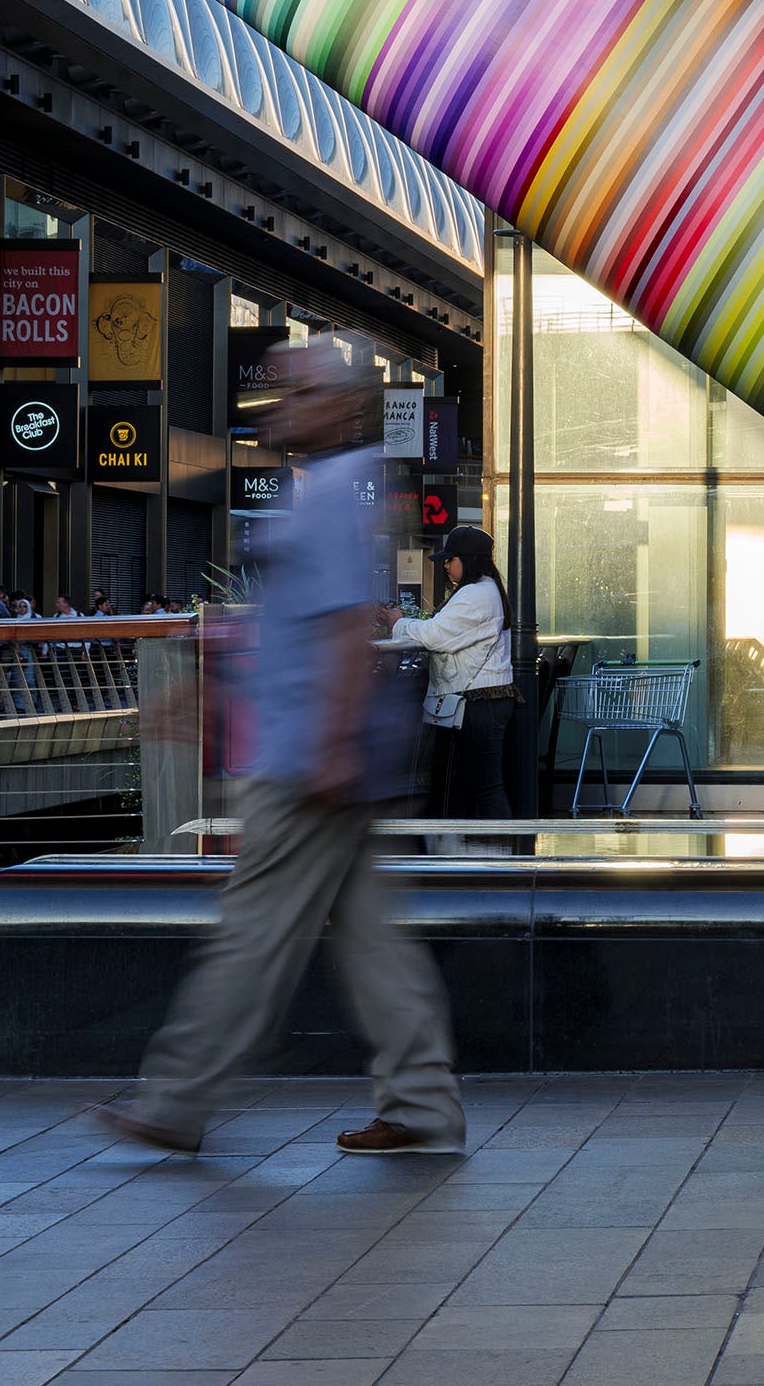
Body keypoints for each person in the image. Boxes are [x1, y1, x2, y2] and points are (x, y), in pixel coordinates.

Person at [99, 340, 463, 1159]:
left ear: (338, 406)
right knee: (370, 937)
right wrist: (207, 691)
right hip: (328, 754)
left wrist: (331, 744)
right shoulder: (324, 489)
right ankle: (423, 1104)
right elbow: (296, 623)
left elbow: (341, 627)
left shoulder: (333, 491)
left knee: (253, 932)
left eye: (296, 398)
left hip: (309, 761)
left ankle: (178, 1097)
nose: (280, 412)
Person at [392, 525, 514, 844]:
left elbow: (435, 635)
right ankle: (490, 855)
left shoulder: (477, 594)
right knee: (480, 783)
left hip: (479, 702)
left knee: (486, 786)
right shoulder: (484, 591)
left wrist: (397, 623)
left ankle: (503, 860)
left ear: (468, 559)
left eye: (451, 559)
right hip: (481, 700)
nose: (445, 565)